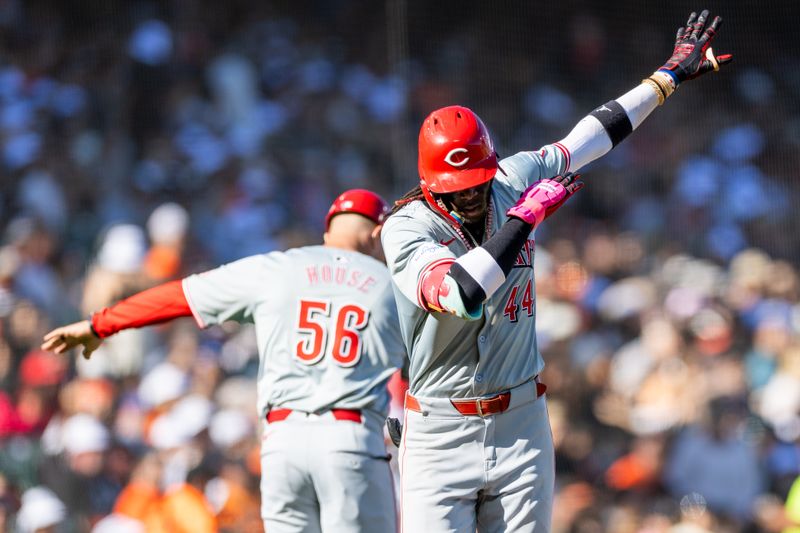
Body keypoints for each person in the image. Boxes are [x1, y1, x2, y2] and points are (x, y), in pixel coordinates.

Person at [381, 10, 731, 532]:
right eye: (458, 190)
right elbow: (463, 292)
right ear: (431, 187)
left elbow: (588, 138)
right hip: (440, 429)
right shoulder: (407, 227)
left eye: (479, 180)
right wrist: (525, 218)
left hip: (521, 419)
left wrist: (667, 79)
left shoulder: (507, 179)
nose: (474, 195)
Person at [42, 189, 405, 533]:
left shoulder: (276, 268)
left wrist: (100, 323)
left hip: (281, 442)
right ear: (377, 234)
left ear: (327, 232)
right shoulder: (391, 284)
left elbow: (179, 296)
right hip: (350, 437)